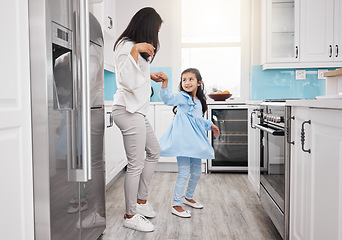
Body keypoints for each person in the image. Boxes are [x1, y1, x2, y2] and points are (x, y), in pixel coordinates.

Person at [112, 7, 164, 232]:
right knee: (135, 164)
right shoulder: (128, 47)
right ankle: (130, 214)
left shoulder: (133, 48)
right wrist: (135, 51)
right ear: (148, 27)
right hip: (128, 111)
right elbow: (126, 81)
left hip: (136, 112)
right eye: (156, 31)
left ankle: (141, 202)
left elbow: (134, 75)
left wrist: (149, 74)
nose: (156, 37)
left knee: (154, 151)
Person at [158, 68, 220, 218]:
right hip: (182, 142)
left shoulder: (198, 101)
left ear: (199, 83)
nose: (187, 82)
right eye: (184, 79)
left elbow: (197, 120)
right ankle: (176, 204)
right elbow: (167, 99)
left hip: (194, 142)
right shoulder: (181, 97)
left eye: (191, 79)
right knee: (184, 172)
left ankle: (188, 197)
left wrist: (209, 125)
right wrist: (165, 83)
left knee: (197, 172)